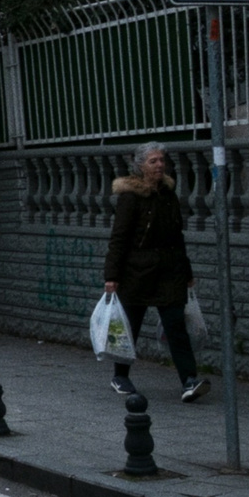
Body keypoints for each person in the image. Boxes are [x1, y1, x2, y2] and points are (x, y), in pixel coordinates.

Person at [101, 142, 207, 402]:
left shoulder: (168, 194)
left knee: (175, 325)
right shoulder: (131, 196)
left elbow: (176, 236)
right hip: (137, 271)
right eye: (153, 161)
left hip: (169, 270)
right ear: (140, 166)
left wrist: (187, 271)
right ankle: (120, 376)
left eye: (162, 160)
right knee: (130, 327)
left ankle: (189, 380)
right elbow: (119, 237)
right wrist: (111, 276)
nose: (160, 165)